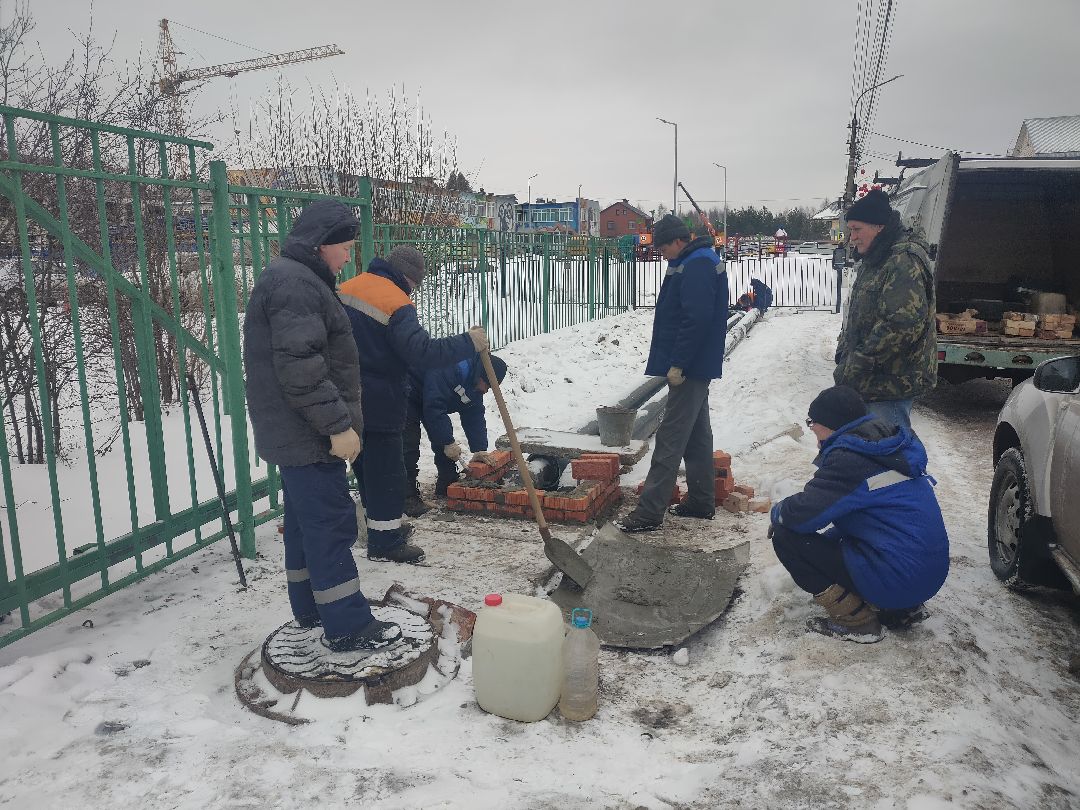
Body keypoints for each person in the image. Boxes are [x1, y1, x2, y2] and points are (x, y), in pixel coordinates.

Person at [243, 199, 400, 653]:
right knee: (330, 524)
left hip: (296, 431)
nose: (348, 256)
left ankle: (313, 608)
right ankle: (348, 624)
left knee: (305, 524)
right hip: (308, 432)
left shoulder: (296, 279)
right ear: (321, 245)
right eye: (345, 247)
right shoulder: (296, 286)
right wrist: (337, 425)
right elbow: (302, 368)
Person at [338, 245, 487, 563]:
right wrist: (468, 342)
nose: (413, 290)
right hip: (380, 399)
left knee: (367, 469)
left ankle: (377, 530)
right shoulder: (395, 301)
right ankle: (386, 543)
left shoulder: (349, 287)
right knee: (389, 473)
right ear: (408, 278)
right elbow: (423, 353)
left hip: (348, 396)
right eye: (415, 284)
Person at [769, 385, 949, 644]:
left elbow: (803, 516)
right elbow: (865, 519)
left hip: (898, 580)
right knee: (838, 538)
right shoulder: (886, 447)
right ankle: (901, 609)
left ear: (829, 423)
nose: (812, 431)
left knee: (785, 536)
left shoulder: (850, 459)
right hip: (925, 576)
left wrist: (777, 512)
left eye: (812, 423)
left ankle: (857, 622)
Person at [614, 214, 727, 532]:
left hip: (691, 365)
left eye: (663, 248)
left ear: (678, 240)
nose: (661, 254)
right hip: (695, 363)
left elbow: (697, 318)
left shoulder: (698, 263)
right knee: (696, 436)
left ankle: (649, 512)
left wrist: (679, 362)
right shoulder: (694, 258)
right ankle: (702, 501)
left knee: (671, 436)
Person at [834, 188, 937, 431]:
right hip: (871, 381)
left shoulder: (902, 260)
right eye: (850, 230)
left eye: (857, 229)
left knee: (887, 455)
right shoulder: (875, 258)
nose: (852, 238)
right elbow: (860, 314)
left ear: (879, 227)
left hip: (890, 383)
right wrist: (844, 351)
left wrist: (857, 362)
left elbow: (901, 325)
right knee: (869, 453)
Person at [402, 352, 508, 517]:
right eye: (488, 385)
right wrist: (447, 441)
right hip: (408, 390)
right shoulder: (451, 369)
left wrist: (479, 449)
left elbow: (474, 413)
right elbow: (435, 407)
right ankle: (407, 498)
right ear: (482, 376)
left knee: (442, 431)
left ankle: (447, 482)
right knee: (408, 443)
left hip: (430, 396)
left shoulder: (474, 383)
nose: (487, 391)